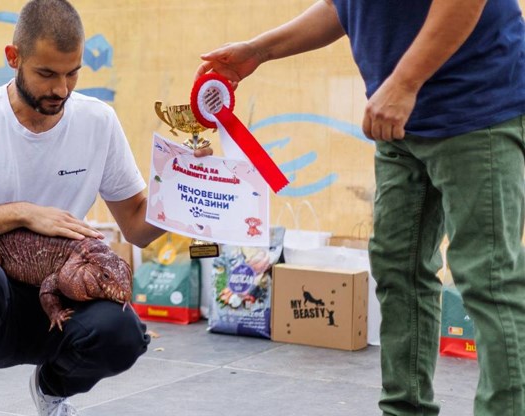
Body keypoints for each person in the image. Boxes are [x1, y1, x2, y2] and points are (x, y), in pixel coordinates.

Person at [197, 1, 525, 415]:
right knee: (397, 267)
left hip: (476, 108)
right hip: (399, 124)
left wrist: (404, 82)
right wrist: (259, 50)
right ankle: (404, 409)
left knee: (488, 276)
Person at [0, 1, 210, 415]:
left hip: (68, 294)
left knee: (124, 332)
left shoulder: (98, 121)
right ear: (13, 58)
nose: (61, 89)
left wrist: (186, 189)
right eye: (47, 74)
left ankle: (52, 387)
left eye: (73, 73)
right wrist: (22, 212)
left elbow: (137, 226)